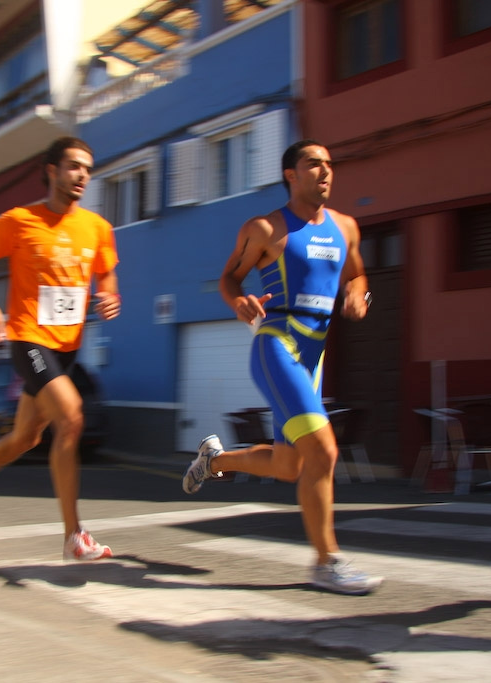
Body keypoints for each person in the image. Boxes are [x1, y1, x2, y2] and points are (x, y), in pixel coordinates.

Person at [182, 139, 382, 595]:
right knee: (324, 452)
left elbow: (356, 274)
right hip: (277, 345)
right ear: (291, 174)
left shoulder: (346, 227)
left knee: (290, 465)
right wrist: (239, 302)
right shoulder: (264, 228)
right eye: (313, 164)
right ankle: (327, 561)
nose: (325, 171)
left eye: (329, 164)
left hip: (315, 355)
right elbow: (229, 278)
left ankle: (213, 461)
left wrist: (358, 296)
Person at [0, 136, 121, 562]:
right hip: (28, 338)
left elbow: (107, 274)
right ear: (52, 170)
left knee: (27, 436)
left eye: (88, 168)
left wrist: (110, 295)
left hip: (67, 348)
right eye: (74, 166)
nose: (82, 175)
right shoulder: (19, 221)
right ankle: (73, 535)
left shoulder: (98, 228)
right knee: (72, 417)